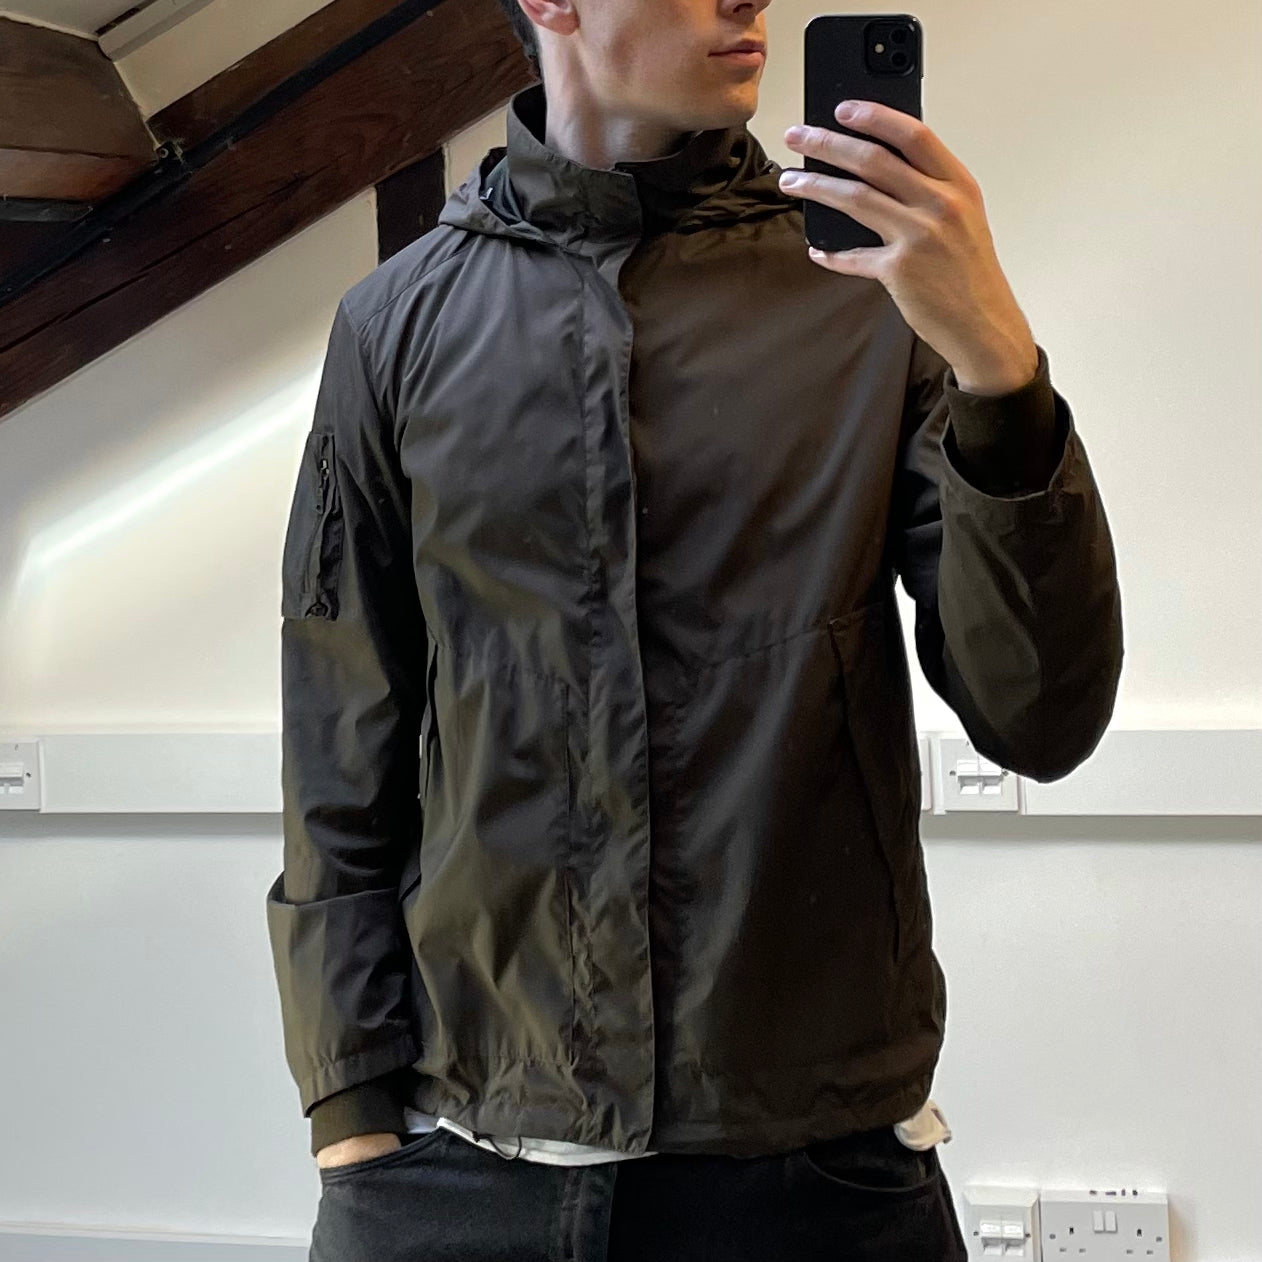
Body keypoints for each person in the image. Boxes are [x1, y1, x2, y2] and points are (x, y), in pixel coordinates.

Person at [265, 0, 1124, 1257]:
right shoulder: (395, 325)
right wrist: (347, 1112)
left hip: (815, 1176)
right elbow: (341, 739)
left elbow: (1039, 717)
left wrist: (998, 366)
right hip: (463, 1171)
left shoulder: (867, 297)